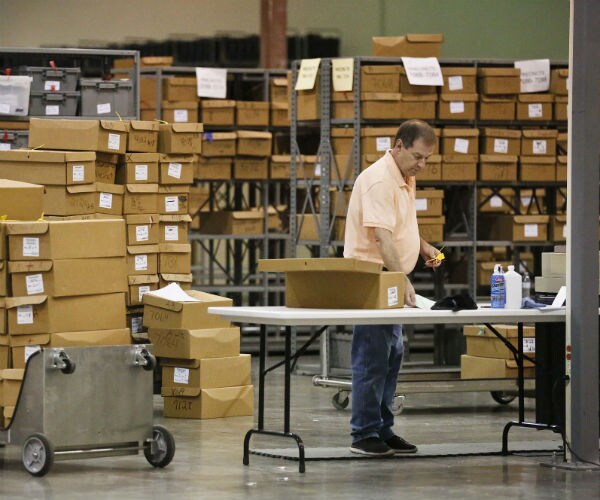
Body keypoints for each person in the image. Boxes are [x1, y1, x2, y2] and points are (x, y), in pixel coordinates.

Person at [343, 119, 442, 456]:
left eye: (427, 159)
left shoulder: (404, 177)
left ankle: (383, 429)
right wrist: (402, 279)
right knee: (373, 356)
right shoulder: (378, 180)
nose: (422, 165)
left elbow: (398, 228)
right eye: (417, 156)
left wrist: (422, 246)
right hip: (373, 279)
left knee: (392, 354)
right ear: (398, 145)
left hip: (388, 278)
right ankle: (363, 433)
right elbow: (381, 237)